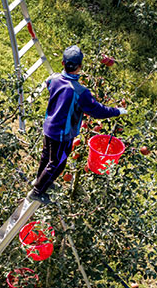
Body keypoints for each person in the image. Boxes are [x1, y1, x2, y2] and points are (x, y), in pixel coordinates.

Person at [29, 45, 127, 202]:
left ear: (62, 63)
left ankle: (39, 180)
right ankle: (37, 191)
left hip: (49, 127)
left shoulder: (54, 80)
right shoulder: (80, 92)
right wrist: (117, 111)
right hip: (62, 134)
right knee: (58, 163)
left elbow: (49, 83)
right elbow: (97, 110)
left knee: (46, 156)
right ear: (80, 66)